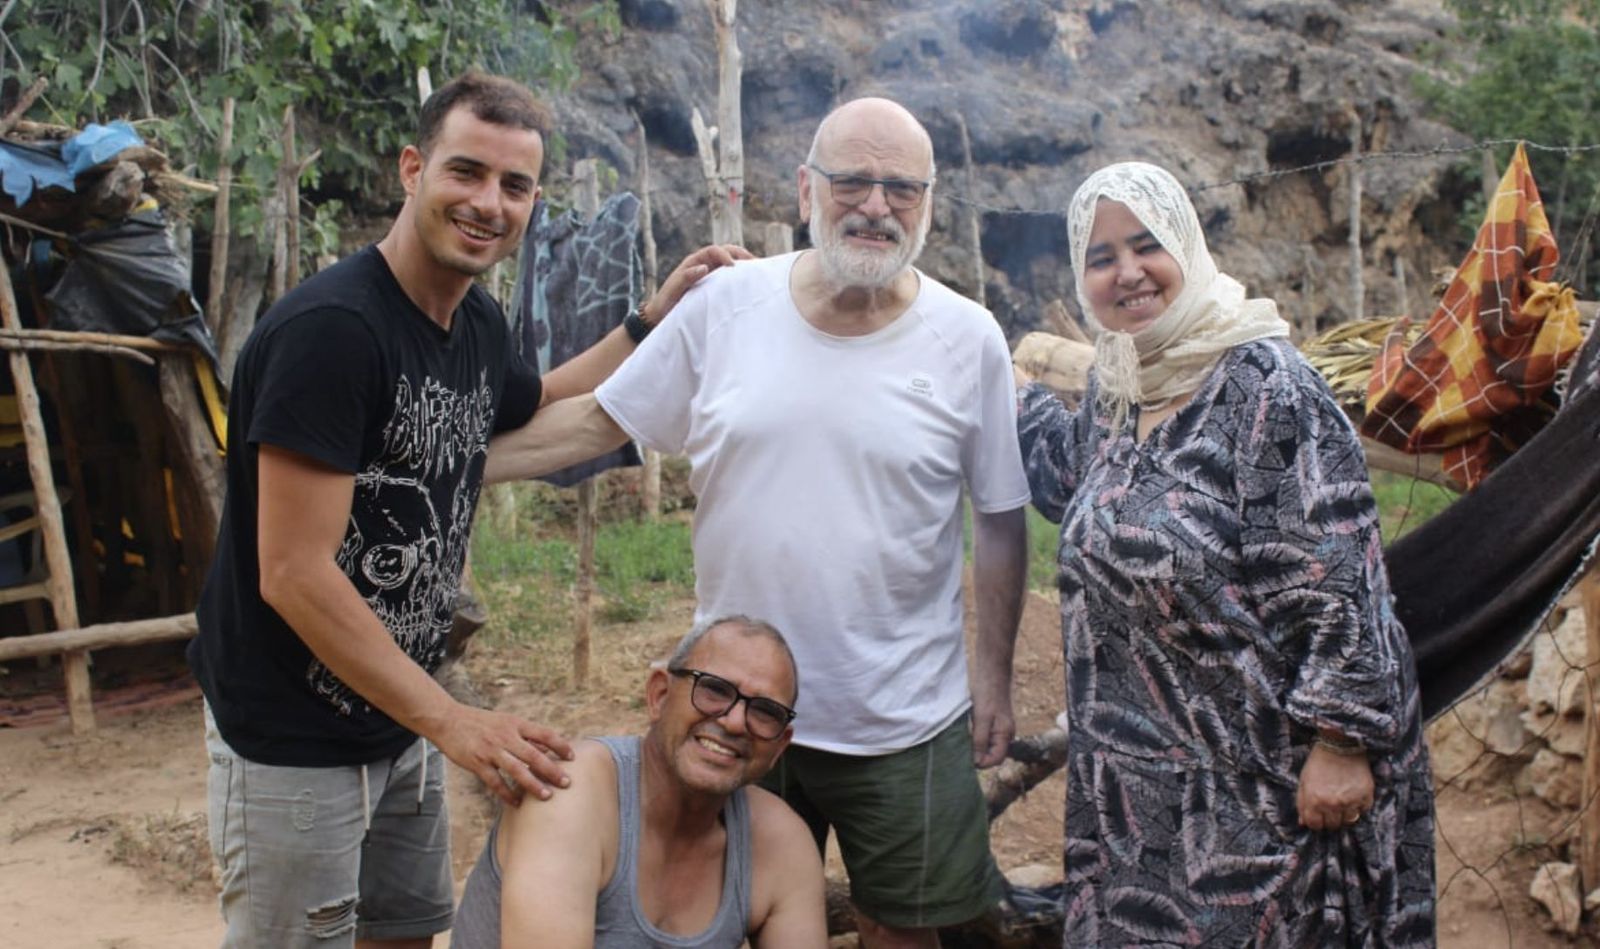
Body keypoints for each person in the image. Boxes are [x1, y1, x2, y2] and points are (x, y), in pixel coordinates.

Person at [187, 71, 745, 949]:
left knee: (406, 933)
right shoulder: (331, 334)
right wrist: (454, 720)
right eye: (466, 172)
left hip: (395, 716)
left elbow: (541, 396)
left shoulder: (473, 323)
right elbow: (293, 572)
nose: (489, 203)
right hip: (291, 731)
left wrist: (650, 318)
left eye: (514, 185)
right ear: (413, 168)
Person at [489, 97, 1031, 947]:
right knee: (727, 920)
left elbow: (1001, 518)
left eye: (903, 188)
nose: (877, 206)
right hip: (733, 712)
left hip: (901, 714)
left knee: (906, 930)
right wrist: (442, 464)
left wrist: (993, 677)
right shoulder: (729, 305)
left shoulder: (969, 339)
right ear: (805, 187)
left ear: (929, 202)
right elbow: (600, 420)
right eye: (854, 180)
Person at [1014, 161, 1435, 946]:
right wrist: (974, 368)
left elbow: (1339, 571)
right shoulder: (1119, 389)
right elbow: (1079, 489)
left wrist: (1342, 743)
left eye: (1146, 246)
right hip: (1135, 793)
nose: (1127, 272)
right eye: (1101, 258)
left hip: (1262, 789)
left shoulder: (1265, 384)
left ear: (1188, 246)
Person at [451, 615, 828, 948]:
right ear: (659, 695)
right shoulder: (574, 793)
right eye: (714, 689)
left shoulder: (781, 844)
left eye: (765, 712)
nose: (733, 722)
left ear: (779, 747)